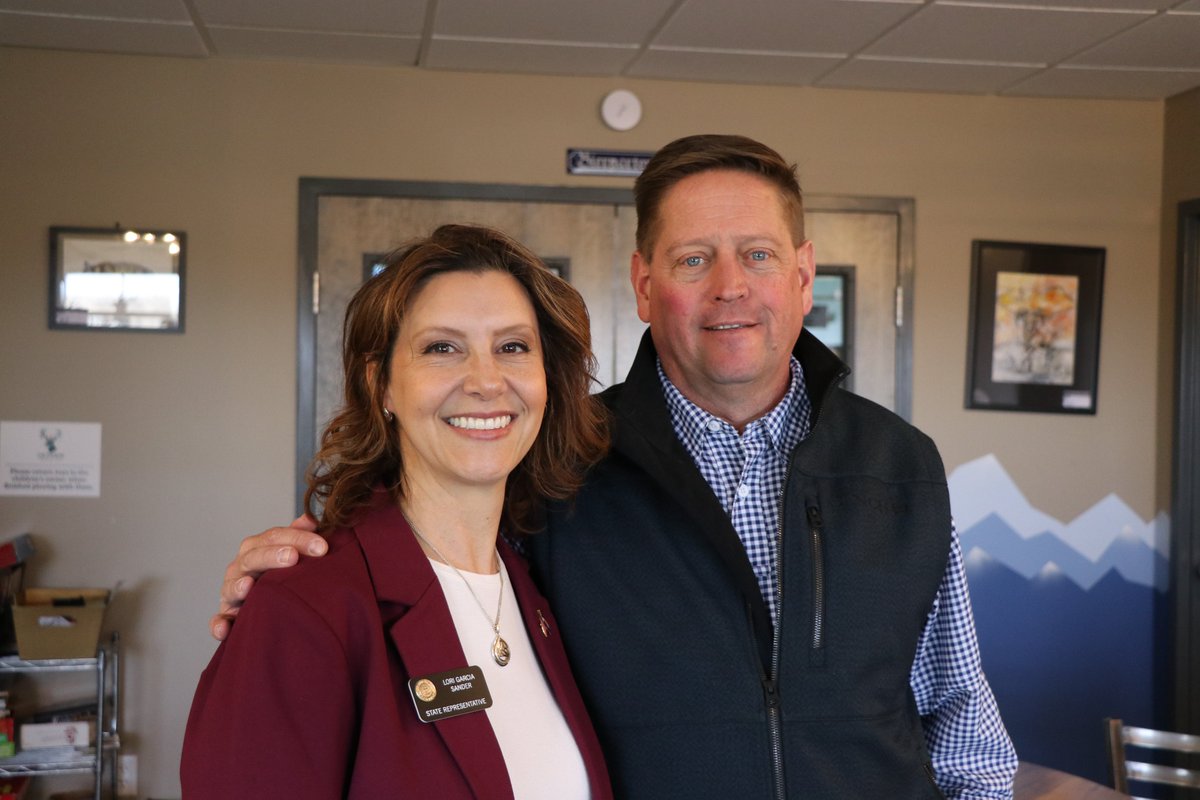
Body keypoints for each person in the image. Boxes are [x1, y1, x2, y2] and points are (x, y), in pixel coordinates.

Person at [212, 135, 1019, 798]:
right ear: (643, 283)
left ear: (804, 276)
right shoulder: (560, 463)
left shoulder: (901, 467)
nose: (730, 288)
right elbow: (433, 528)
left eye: (759, 255)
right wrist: (297, 577)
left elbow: (963, 726)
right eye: (693, 260)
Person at [182, 224, 613, 799]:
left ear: (547, 380)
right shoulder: (305, 608)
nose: (487, 381)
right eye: (442, 348)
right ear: (380, 384)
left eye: (512, 347)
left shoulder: (535, 590)